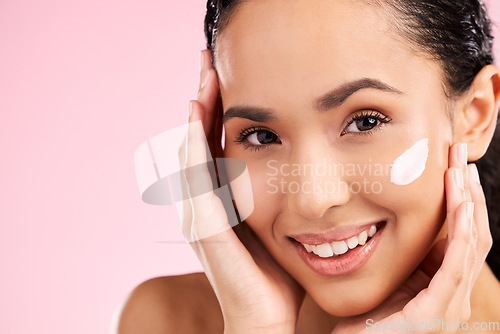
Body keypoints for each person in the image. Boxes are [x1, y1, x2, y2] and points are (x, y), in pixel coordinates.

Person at [116, 0, 500, 333]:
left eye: (365, 121)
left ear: (475, 115)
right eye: (262, 136)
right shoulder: (168, 321)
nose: (313, 200)